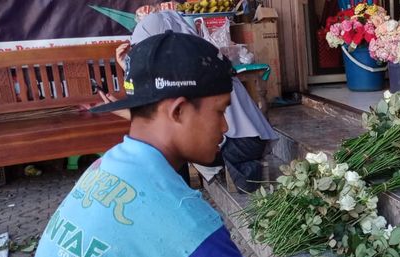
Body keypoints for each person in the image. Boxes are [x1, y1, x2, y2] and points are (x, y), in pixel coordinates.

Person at [30, 31, 399, 257]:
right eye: (220, 111)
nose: (225, 128)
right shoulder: (168, 208)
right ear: (177, 110)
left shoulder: (114, 166)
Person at [108, 11, 277, 192]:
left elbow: (162, 119)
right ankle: (181, 191)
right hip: (244, 141)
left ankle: (179, 193)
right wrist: (129, 67)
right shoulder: (198, 61)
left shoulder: (189, 75)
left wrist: (123, 110)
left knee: (170, 143)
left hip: (243, 144)